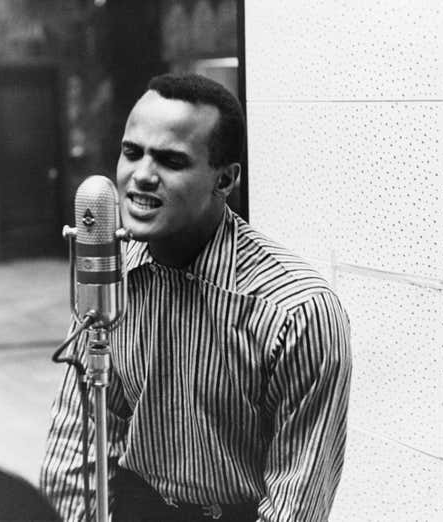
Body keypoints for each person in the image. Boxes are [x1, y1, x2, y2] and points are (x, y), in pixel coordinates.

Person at [40, 73, 352, 522]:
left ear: (224, 179)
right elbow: (78, 444)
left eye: (171, 160)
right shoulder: (112, 269)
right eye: (132, 152)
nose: (142, 176)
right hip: (136, 506)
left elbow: (295, 504)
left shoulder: (298, 313)